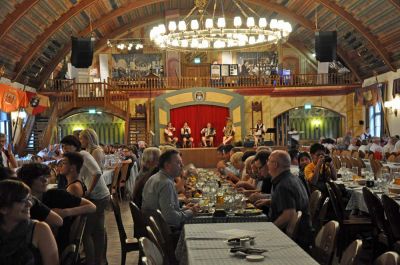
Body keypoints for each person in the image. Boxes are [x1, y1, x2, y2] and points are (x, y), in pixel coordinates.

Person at [17, 163, 96, 253]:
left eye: (46, 177)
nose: (45, 180)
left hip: (54, 247)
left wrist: (65, 212)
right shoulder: (21, 203)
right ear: (28, 180)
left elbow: (91, 207)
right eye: (40, 178)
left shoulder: (56, 195)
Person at [60, 135, 109, 265]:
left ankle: (91, 261)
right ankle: (100, 260)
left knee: (87, 233)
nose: (64, 149)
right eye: (63, 146)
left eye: (66, 146)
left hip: (97, 196)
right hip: (100, 195)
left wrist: (88, 192)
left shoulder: (83, 154)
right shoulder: (75, 157)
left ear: (75, 145)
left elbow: (97, 172)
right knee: (98, 230)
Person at [0, 180, 59, 265]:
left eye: (29, 199)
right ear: (3, 209)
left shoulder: (40, 229)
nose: (30, 204)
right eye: (22, 200)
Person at [142, 149, 199, 229]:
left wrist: (184, 209)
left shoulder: (155, 177)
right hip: (166, 232)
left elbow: (166, 208)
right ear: (167, 165)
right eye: (178, 163)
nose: (182, 166)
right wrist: (191, 211)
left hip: (155, 226)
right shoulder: (166, 183)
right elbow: (171, 219)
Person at [267, 150, 312, 250]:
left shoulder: (283, 185)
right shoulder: (293, 178)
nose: (267, 164)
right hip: (303, 232)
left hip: (294, 239)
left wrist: (270, 230)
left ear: (275, 164)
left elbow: (289, 215)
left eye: (269, 161)